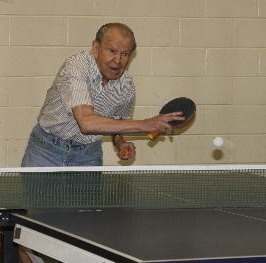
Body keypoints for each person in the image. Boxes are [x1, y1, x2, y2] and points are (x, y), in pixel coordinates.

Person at [21, 22, 184, 168]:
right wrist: (146, 124)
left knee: (88, 203)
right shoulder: (76, 67)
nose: (118, 60)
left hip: (88, 156)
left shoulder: (126, 85)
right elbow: (87, 123)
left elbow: (117, 123)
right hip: (46, 151)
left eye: (125, 54)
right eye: (112, 51)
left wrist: (119, 142)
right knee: (37, 202)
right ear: (96, 49)